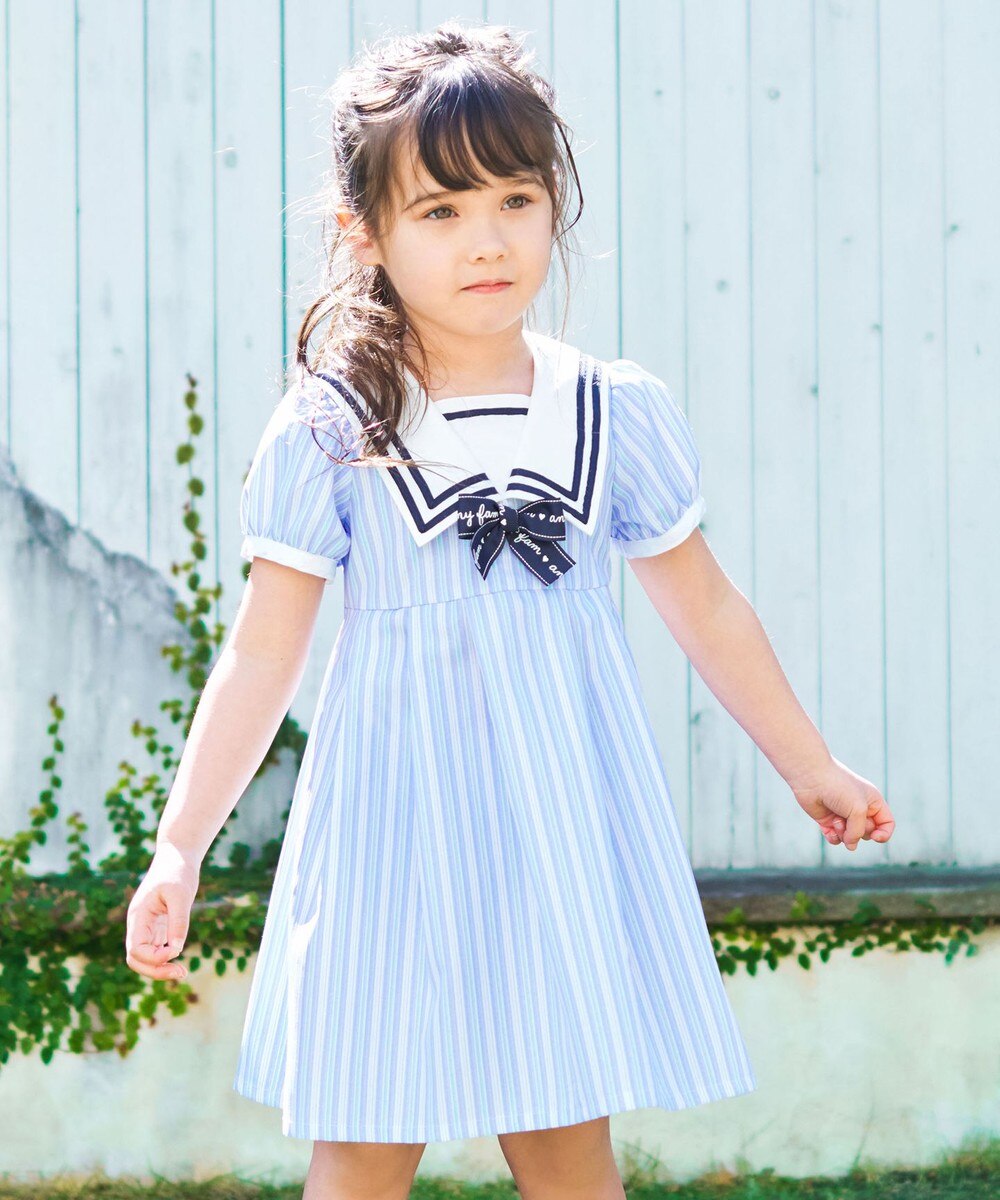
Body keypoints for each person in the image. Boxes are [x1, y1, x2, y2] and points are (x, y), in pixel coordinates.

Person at [125, 19, 895, 1199]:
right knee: (364, 1140)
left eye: (514, 200)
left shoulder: (611, 409)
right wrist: (181, 845)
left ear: (551, 205)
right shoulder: (333, 426)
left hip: (559, 820)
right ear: (367, 232)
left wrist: (809, 763)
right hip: (390, 832)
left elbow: (704, 604)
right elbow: (263, 653)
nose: (487, 240)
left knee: (565, 1139)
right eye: (440, 210)